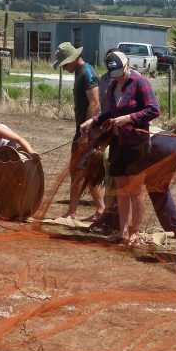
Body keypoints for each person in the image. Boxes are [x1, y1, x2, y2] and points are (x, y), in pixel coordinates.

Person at [80, 50, 160, 248]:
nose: (118, 78)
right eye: (113, 74)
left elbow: (153, 109)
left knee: (135, 190)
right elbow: (109, 112)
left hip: (137, 143)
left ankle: (135, 232)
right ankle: (122, 231)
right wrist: (93, 120)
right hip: (117, 143)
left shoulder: (140, 83)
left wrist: (130, 118)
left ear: (127, 66)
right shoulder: (112, 86)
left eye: (120, 73)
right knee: (122, 190)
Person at [53, 42, 105, 221]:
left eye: (65, 63)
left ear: (74, 58)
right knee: (84, 172)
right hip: (82, 129)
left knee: (78, 170)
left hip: (88, 131)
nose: (64, 67)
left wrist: (86, 134)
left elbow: (95, 103)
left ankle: (73, 213)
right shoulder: (79, 72)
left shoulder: (88, 74)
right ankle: (99, 210)